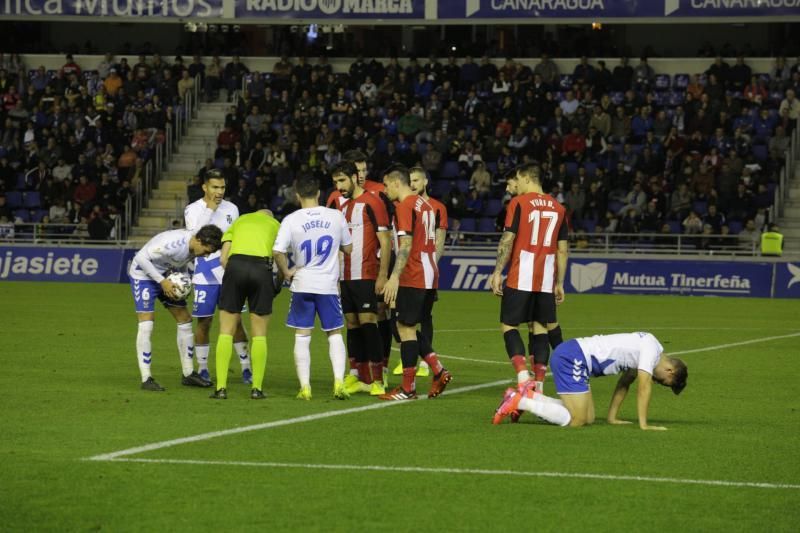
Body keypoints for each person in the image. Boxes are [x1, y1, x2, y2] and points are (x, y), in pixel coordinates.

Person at [493, 332, 688, 430]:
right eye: (664, 382)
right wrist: (644, 425)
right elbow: (643, 387)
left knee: (589, 418)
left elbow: (625, 383)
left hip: (578, 359)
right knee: (577, 420)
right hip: (573, 357)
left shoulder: (648, 349)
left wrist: (612, 418)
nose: (658, 382)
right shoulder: (651, 351)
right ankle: (519, 401)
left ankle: (530, 396)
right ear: (670, 371)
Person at [490, 164, 568, 394]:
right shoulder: (559, 208)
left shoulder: (518, 203)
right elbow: (562, 250)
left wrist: (497, 271)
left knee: (509, 325)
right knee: (540, 328)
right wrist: (560, 282)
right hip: (545, 278)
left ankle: (523, 376)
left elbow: (508, 238)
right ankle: (540, 385)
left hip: (521, 275)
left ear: (525, 178)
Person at [273, 175, 353, 400]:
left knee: (302, 335)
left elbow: (277, 251)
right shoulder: (336, 216)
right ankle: (338, 383)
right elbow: (348, 249)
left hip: (302, 284)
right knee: (334, 333)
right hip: (327, 285)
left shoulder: (291, 219)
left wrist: (287, 272)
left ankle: (305, 388)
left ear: (297, 195)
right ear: (319, 194)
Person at [379, 164, 452, 401]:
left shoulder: (405, 206)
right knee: (406, 326)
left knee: (404, 328)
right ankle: (438, 370)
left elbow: (406, 246)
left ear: (397, 183)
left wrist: (394, 277)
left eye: (387, 184)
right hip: (429, 273)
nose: (385, 189)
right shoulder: (426, 204)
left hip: (413, 274)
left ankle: (408, 388)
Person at [128, 225, 222, 391]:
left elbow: (181, 262)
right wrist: (162, 282)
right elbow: (141, 258)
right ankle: (146, 378)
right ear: (199, 241)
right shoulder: (173, 243)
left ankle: (188, 374)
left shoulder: (194, 248)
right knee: (147, 324)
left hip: (166, 276)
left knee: (185, 319)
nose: (207, 255)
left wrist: (184, 279)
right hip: (143, 275)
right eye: (207, 251)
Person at [184, 169, 252, 384]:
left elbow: (238, 238)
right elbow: (196, 237)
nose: (219, 191)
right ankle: (203, 368)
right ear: (205, 187)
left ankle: (246, 368)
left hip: (230, 274)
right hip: (204, 276)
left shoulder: (232, 209)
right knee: (204, 323)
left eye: (222, 187)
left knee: (237, 322)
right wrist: (210, 209)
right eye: (215, 187)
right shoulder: (192, 209)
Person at [330, 161, 392, 396]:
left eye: (342, 180)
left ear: (355, 178)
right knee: (352, 323)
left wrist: (383, 275)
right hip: (345, 276)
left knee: (368, 321)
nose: (339, 186)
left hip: (366, 273)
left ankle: (377, 379)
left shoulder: (373, 202)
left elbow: (385, 240)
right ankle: (357, 376)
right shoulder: (343, 209)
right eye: (336, 182)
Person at [209, 209, 281, 400]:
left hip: (236, 265)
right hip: (261, 268)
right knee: (259, 333)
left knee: (226, 330)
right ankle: (256, 389)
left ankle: (221, 388)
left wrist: (234, 273)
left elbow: (223, 258)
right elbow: (278, 253)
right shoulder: (275, 225)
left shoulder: (240, 221)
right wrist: (278, 283)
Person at [392, 166, 448, 378]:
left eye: (417, 180)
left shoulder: (430, 206)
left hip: (417, 272)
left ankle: (420, 373)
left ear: (425, 182)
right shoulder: (416, 206)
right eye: (411, 180)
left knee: (411, 323)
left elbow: (438, 243)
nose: (413, 184)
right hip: (420, 271)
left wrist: (428, 269)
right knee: (403, 323)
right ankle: (433, 366)